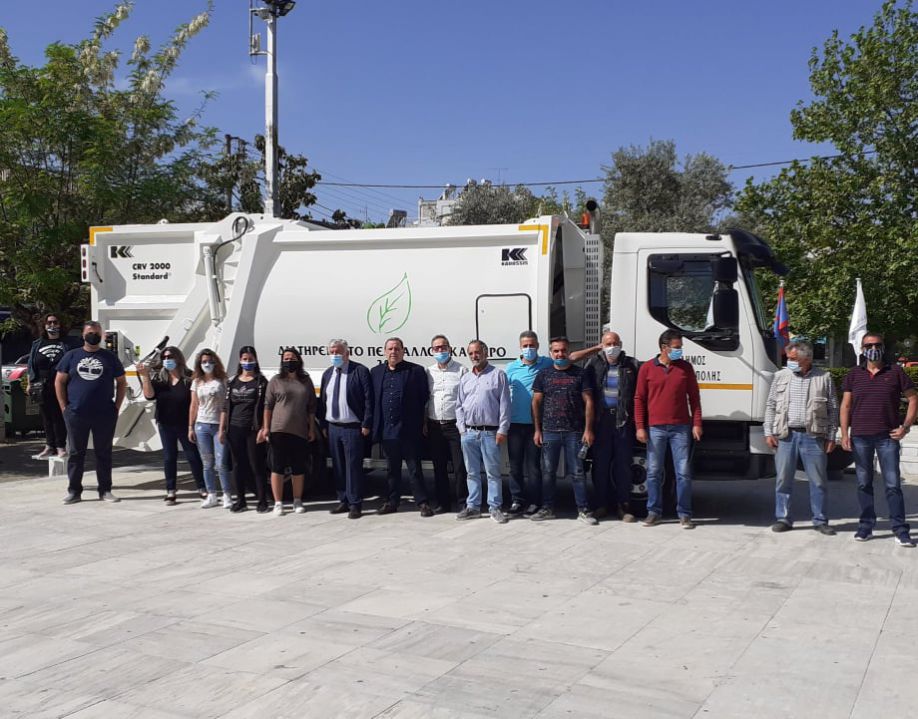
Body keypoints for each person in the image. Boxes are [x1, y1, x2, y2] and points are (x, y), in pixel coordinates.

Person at [840, 332, 917, 546]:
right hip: (860, 438)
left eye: (877, 345)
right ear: (862, 349)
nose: (873, 348)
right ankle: (866, 526)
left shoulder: (896, 372)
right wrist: (844, 434)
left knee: (893, 485)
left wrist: (905, 427)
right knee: (863, 484)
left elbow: (913, 399)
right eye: (868, 345)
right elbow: (845, 405)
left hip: (887, 438)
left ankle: (900, 529)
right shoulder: (854, 374)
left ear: (883, 347)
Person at [763, 339, 837, 535]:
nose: (790, 362)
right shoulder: (780, 376)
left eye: (794, 359)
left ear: (807, 358)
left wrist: (831, 436)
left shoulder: (824, 378)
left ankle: (820, 520)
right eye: (788, 358)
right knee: (783, 480)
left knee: (818, 481)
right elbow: (771, 405)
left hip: (813, 437)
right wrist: (768, 431)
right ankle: (783, 518)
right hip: (786, 436)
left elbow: (832, 409)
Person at [634, 329, 702, 529]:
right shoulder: (647, 368)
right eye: (676, 347)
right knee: (654, 472)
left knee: (683, 472)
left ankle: (685, 514)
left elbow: (694, 398)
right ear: (664, 348)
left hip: (680, 428)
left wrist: (697, 423)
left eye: (680, 347)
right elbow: (639, 399)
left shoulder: (685, 368)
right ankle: (654, 512)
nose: (680, 350)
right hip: (655, 428)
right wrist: (640, 427)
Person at [55, 320, 126, 504]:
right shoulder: (71, 356)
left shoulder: (109, 357)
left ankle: (105, 490)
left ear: (101, 335)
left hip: (104, 414)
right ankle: (74, 491)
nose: (93, 335)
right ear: (83, 335)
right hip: (76, 413)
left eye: (96, 333)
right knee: (76, 453)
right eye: (89, 332)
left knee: (104, 453)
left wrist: (116, 406)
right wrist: (64, 407)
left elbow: (121, 383)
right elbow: (59, 381)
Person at [531, 336, 597, 525]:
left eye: (563, 350)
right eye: (556, 351)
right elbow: (536, 402)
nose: (560, 354)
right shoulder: (543, 374)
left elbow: (589, 402)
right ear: (550, 353)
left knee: (577, 472)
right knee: (548, 472)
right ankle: (547, 508)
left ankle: (583, 510)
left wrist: (588, 430)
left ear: (569, 352)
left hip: (574, 432)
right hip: (549, 431)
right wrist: (537, 430)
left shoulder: (580, 374)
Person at [579, 330, 639, 522]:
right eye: (608, 344)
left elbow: (640, 394)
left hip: (623, 421)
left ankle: (624, 507)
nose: (612, 347)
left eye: (615, 343)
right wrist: (588, 427)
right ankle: (601, 505)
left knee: (623, 466)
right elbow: (572, 361)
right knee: (600, 466)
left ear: (620, 344)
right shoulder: (593, 364)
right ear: (602, 346)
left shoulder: (632, 364)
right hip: (601, 421)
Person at [370, 337, 433, 516]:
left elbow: (424, 398)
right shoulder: (376, 372)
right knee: (392, 469)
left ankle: (422, 502)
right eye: (390, 349)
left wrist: (423, 423)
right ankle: (392, 502)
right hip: (387, 431)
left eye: (397, 349)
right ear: (384, 351)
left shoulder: (415, 371)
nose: (393, 352)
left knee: (414, 469)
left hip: (409, 430)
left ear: (403, 351)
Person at [138, 347, 205, 505]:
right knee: (169, 457)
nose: (167, 360)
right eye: (164, 357)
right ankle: (171, 491)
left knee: (193, 456)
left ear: (178, 358)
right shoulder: (160, 379)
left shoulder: (189, 378)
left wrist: (193, 424)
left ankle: (202, 488)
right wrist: (145, 376)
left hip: (185, 423)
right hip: (165, 423)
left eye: (170, 356)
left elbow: (196, 401)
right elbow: (149, 396)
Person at [455, 340, 511, 523]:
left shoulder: (498, 375)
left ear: (486, 353)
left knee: (492, 473)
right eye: (471, 353)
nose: (474, 356)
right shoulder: (465, 378)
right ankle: (473, 507)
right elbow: (459, 406)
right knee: (471, 472)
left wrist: (502, 430)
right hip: (469, 433)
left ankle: (495, 508)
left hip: (490, 433)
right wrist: (462, 430)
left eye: (477, 352)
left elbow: (505, 405)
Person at [318, 339, 373, 519]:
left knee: (353, 467)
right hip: (333, 427)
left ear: (347, 354)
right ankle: (343, 499)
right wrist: (324, 425)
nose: (335, 355)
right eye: (332, 352)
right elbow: (323, 402)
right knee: (339, 467)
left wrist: (366, 423)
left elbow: (368, 399)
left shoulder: (360, 371)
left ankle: (355, 503)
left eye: (338, 352)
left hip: (352, 427)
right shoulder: (328, 373)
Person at [261, 347, 317, 516]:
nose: (289, 361)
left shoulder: (306, 381)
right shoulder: (276, 381)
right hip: (278, 430)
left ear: (298, 360)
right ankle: (278, 503)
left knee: (298, 468)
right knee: (277, 467)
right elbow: (268, 406)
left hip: (299, 430)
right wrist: (266, 427)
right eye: (285, 358)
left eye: (292, 358)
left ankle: (297, 500)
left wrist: (311, 429)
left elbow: (311, 408)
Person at [504, 331, 553, 517]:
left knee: (533, 467)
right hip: (515, 425)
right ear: (520, 347)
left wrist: (597, 347)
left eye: (532, 345)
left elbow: (570, 358)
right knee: (515, 466)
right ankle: (517, 501)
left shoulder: (547, 363)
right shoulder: (511, 368)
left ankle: (534, 502)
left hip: (536, 425)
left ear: (538, 346)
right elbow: (500, 393)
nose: (529, 349)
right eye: (525, 346)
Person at [220, 346, 270, 514]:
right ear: (240, 360)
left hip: (253, 429)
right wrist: (222, 429)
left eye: (250, 359)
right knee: (237, 465)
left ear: (255, 360)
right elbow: (225, 407)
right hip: (234, 429)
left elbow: (266, 407)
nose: (247, 362)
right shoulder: (232, 382)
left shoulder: (261, 382)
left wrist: (264, 428)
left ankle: (262, 501)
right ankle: (241, 500)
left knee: (257, 464)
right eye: (245, 359)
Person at [425, 334, 468, 513]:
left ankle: (463, 502)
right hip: (435, 426)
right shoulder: (429, 372)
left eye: (443, 347)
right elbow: (426, 399)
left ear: (450, 349)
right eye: (437, 348)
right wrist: (424, 423)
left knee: (460, 467)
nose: (440, 350)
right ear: (432, 351)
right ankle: (443, 503)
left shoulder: (461, 370)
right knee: (439, 467)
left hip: (455, 426)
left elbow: (466, 399)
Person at [189, 349, 232, 509]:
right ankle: (211, 494)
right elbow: (194, 405)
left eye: (210, 361)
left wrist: (222, 428)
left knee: (221, 463)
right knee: (207, 463)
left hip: (217, 425)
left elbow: (225, 405)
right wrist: (190, 427)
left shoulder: (223, 381)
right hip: (201, 425)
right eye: (204, 362)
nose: (207, 364)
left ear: (215, 362)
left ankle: (227, 495)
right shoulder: (197, 382)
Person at [27, 314, 75, 459]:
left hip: (62, 384)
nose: (52, 325)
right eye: (49, 322)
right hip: (42, 385)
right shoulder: (38, 344)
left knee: (59, 415)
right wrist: (29, 383)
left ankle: (60, 446)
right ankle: (49, 446)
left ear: (60, 324)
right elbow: (31, 365)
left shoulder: (67, 343)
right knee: (46, 416)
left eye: (55, 322)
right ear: (44, 325)